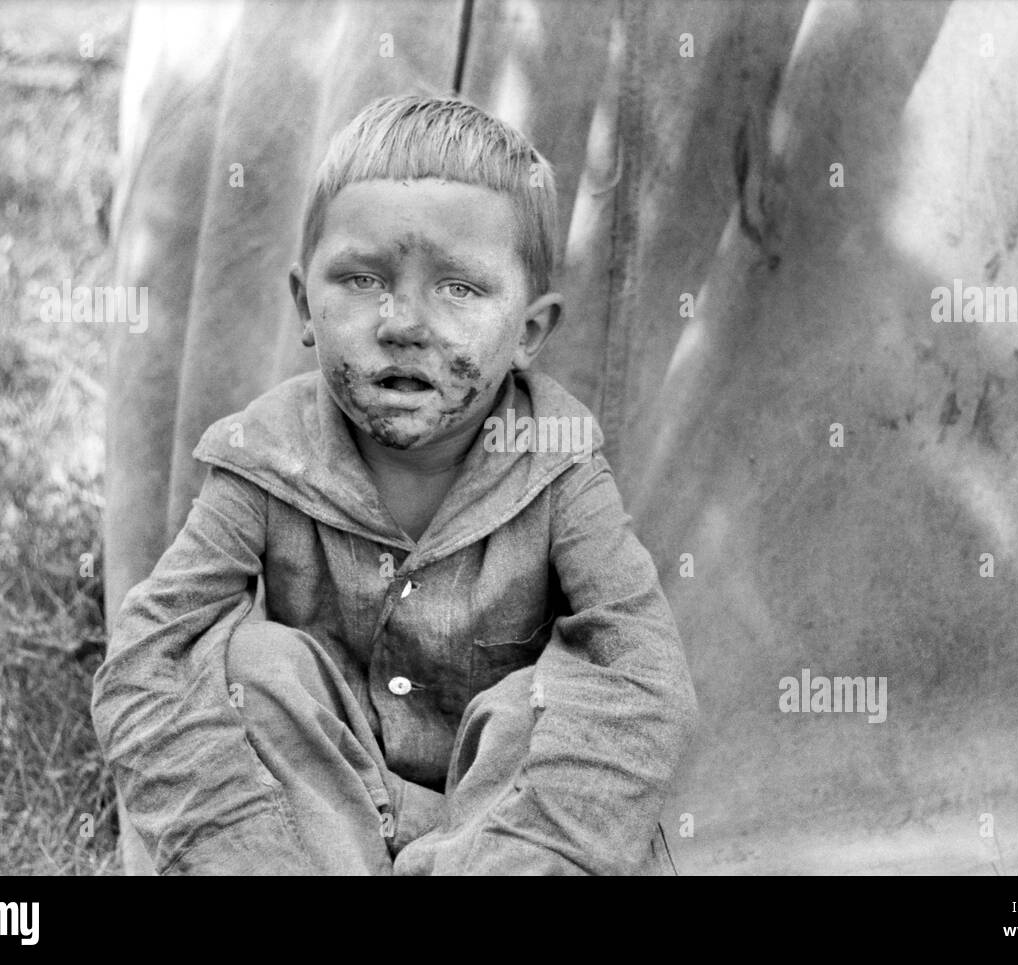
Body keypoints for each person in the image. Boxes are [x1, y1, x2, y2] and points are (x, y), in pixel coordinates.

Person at [91, 94, 697, 875]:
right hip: (314, 824)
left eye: (460, 289)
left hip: (499, 829)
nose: (404, 322)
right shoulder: (264, 458)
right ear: (304, 303)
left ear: (530, 332)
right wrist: (234, 842)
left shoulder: (560, 468)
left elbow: (647, 680)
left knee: (549, 703)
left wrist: (537, 850)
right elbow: (148, 660)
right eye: (362, 279)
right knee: (254, 667)